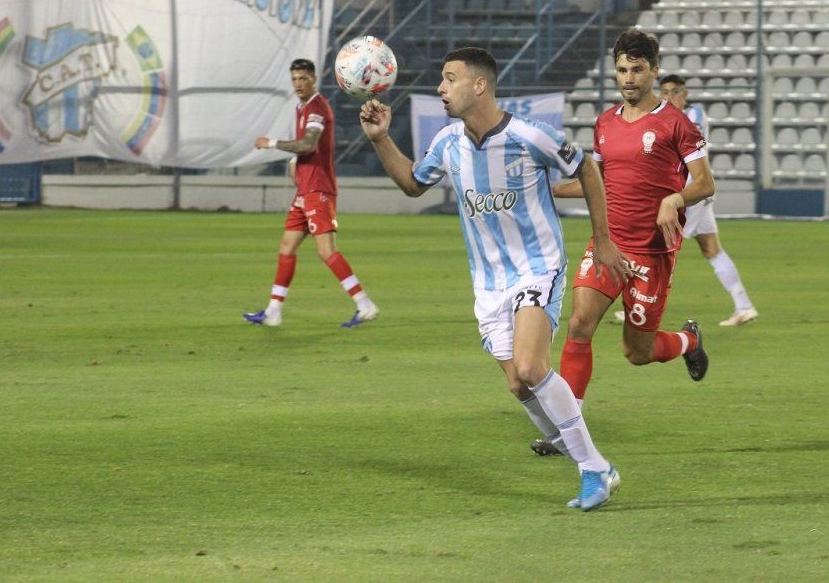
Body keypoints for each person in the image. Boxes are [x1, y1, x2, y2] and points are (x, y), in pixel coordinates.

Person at [358, 47, 623, 510]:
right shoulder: (448, 143)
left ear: (479, 85)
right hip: (488, 283)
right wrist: (381, 138)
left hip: (538, 267)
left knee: (531, 367)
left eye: (449, 78)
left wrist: (602, 239)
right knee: (519, 384)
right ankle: (580, 450)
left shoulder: (529, 136)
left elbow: (586, 167)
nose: (441, 87)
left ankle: (594, 467)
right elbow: (413, 183)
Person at [532, 30, 715, 457]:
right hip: (609, 243)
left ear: (654, 71)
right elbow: (598, 180)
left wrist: (674, 198)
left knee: (638, 353)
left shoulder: (676, 124)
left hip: (652, 252)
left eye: (637, 69)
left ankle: (688, 341)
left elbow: (705, 183)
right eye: (621, 70)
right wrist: (550, 190)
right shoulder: (605, 123)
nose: (628, 78)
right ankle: (568, 432)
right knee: (579, 325)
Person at [243, 58, 379, 328]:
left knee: (326, 251)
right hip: (304, 190)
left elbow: (308, 144)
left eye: (303, 78)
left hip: (318, 189)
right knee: (287, 247)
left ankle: (365, 304)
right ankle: (273, 311)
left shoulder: (317, 107)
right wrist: (296, 163)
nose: (298, 84)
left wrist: (271, 143)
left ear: (314, 79)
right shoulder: (302, 107)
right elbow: (308, 150)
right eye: (294, 79)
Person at [658, 74, 758, 327]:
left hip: (691, 192)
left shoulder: (693, 116)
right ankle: (744, 306)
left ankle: (644, 307)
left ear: (685, 94)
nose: (670, 97)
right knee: (711, 248)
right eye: (665, 92)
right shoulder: (666, 117)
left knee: (660, 247)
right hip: (691, 193)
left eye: (675, 92)